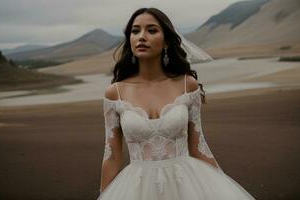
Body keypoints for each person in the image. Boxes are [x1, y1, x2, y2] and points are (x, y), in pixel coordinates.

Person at [98, 7, 256, 200]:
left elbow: (199, 148)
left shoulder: (187, 85)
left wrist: (221, 185)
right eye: (135, 30)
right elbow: (112, 156)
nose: (141, 36)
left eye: (152, 30)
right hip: (135, 189)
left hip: (187, 184)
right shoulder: (115, 93)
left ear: (166, 42)